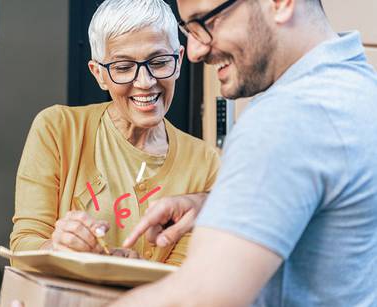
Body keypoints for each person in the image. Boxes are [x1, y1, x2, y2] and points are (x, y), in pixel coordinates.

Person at [114, 0, 377, 305]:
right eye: (188, 29)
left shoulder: (287, 118)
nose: (196, 51)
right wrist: (221, 206)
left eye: (206, 21)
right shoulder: (360, 90)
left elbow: (197, 298)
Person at [9, 0, 220, 267]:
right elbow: (23, 247)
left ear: (178, 61)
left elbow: (184, 276)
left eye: (159, 62)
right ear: (98, 74)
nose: (145, 82)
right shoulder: (57, 129)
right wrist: (56, 247)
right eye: (123, 67)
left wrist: (131, 273)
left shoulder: (205, 163)